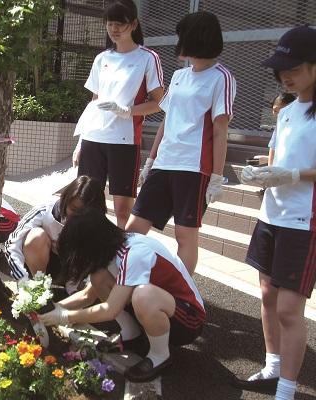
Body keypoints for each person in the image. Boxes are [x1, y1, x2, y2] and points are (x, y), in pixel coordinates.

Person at [235, 26, 316, 400]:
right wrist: (263, 174)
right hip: (272, 214)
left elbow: (294, 168)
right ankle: (273, 366)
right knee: (267, 294)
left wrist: (294, 174)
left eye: (294, 67)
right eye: (281, 67)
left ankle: (287, 389)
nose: (285, 74)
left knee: (288, 309)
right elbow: (274, 156)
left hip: (304, 219)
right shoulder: (286, 109)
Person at [126, 11, 237, 274]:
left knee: (185, 236)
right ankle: (126, 279)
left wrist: (217, 177)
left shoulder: (222, 77)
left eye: (182, 37)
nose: (178, 42)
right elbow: (168, 119)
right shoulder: (179, 76)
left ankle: (185, 295)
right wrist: (150, 161)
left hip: (194, 167)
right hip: (165, 162)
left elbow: (221, 130)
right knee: (134, 228)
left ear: (195, 38)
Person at [39, 209, 205, 382]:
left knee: (144, 295)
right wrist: (55, 308)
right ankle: (131, 333)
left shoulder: (135, 254)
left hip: (189, 319)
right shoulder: (111, 249)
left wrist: (63, 317)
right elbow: (87, 295)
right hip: (163, 307)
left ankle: (160, 355)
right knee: (98, 277)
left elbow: (110, 309)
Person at [72, 0, 164, 229]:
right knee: (85, 202)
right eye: (109, 24)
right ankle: (87, 253)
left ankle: (120, 259)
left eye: (119, 24)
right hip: (94, 138)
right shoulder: (102, 58)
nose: (113, 29)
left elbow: (160, 102)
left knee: (122, 208)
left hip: (124, 140)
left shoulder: (147, 58)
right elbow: (94, 102)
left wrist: (127, 111)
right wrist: (80, 142)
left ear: (133, 24)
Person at [2, 176, 107, 285]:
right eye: (73, 209)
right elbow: (12, 242)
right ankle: (39, 285)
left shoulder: (100, 226)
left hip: (77, 272)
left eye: (84, 214)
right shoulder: (45, 210)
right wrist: (22, 278)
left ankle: (73, 289)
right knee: (36, 236)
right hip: (48, 266)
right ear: (65, 200)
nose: (77, 217)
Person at [253, 93, 297, 166]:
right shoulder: (279, 127)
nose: (278, 115)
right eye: (275, 111)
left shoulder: (300, 126)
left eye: (282, 111)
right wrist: (270, 168)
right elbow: (273, 148)